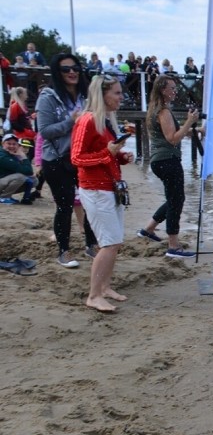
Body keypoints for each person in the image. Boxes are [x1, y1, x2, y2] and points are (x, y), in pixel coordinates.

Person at [71, 75, 134, 312]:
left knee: (114, 242)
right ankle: (94, 294)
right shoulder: (87, 120)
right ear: (103, 95)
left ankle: (105, 287)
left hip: (110, 187)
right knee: (109, 243)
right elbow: (76, 158)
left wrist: (120, 157)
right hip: (95, 189)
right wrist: (108, 154)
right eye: (117, 93)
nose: (121, 97)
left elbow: (104, 152)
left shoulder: (105, 121)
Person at [35, 52, 100, 268]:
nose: (72, 72)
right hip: (56, 159)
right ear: (57, 72)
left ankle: (91, 245)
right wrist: (70, 122)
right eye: (66, 69)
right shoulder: (48, 97)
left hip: (82, 158)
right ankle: (63, 251)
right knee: (64, 206)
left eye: (75, 68)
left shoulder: (86, 95)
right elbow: (44, 131)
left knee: (90, 203)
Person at [136, 75, 200, 258]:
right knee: (176, 201)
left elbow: (171, 134)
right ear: (162, 90)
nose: (175, 91)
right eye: (172, 88)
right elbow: (172, 139)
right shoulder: (163, 111)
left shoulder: (155, 109)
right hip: (167, 161)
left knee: (175, 198)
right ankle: (173, 246)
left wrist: (196, 130)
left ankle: (148, 229)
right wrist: (189, 121)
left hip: (161, 160)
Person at [0, 133, 35, 204]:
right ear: (3, 144)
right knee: (21, 177)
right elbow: (28, 171)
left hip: (3, 180)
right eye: (9, 144)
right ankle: (4, 197)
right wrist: (23, 157)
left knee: (34, 180)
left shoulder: (12, 154)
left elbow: (28, 171)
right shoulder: (2, 156)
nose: (11, 146)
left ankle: (7, 195)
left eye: (14, 144)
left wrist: (20, 156)